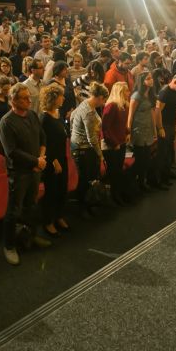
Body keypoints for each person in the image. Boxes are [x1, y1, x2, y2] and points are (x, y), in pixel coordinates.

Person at [0, 83, 50, 266]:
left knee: (31, 205)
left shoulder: (32, 115)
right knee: (14, 210)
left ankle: (32, 235)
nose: (29, 100)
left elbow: (42, 137)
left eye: (29, 97)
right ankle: (9, 246)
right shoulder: (6, 122)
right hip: (19, 173)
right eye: (25, 98)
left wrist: (41, 158)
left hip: (35, 169)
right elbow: (12, 151)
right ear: (13, 100)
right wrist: (36, 162)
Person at [70, 82, 109, 217]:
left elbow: (72, 117)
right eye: (104, 100)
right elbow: (92, 138)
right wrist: (100, 155)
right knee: (86, 180)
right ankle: (84, 207)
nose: (103, 103)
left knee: (85, 179)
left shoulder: (84, 104)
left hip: (79, 147)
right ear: (98, 97)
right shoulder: (89, 112)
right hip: (85, 149)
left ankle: (86, 205)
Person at [39, 83, 69, 237]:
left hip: (62, 157)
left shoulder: (59, 113)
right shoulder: (44, 118)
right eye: (61, 96)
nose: (63, 98)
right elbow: (44, 143)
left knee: (62, 189)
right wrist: (53, 160)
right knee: (51, 191)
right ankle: (48, 221)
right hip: (52, 160)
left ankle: (59, 216)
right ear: (53, 98)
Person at [127, 71, 162, 191]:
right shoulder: (136, 96)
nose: (151, 80)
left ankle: (142, 182)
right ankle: (132, 183)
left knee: (147, 159)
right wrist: (129, 132)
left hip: (148, 129)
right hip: (138, 129)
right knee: (140, 159)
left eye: (151, 78)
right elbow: (130, 116)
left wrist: (155, 130)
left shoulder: (151, 95)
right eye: (148, 78)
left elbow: (152, 113)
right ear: (142, 81)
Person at [101, 81, 133, 204]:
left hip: (120, 142)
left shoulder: (123, 105)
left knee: (119, 170)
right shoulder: (112, 106)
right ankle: (114, 197)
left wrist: (127, 133)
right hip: (112, 146)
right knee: (114, 172)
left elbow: (121, 124)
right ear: (120, 92)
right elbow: (105, 128)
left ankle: (119, 194)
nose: (128, 93)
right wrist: (114, 143)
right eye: (126, 91)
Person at [156, 73, 176, 184]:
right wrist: (160, 128)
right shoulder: (164, 93)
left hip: (171, 124)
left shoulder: (174, 91)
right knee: (163, 153)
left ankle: (167, 173)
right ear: (174, 82)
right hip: (165, 125)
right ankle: (160, 178)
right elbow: (158, 111)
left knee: (169, 151)